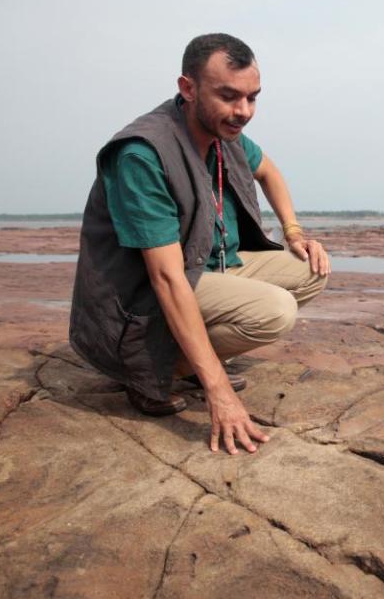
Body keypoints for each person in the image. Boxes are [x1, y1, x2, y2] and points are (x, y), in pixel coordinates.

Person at [69, 33, 329, 456]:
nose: (243, 112)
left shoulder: (225, 132)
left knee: (312, 271)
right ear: (187, 89)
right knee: (274, 312)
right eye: (228, 96)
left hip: (205, 267)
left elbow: (269, 171)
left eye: (252, 98)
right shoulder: (143, 153)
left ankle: (186, 360)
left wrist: (295, 233)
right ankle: (149, 370)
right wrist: (220, 393)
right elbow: (167, 279)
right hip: (142, 297)